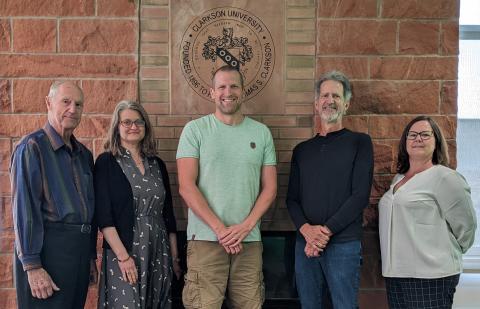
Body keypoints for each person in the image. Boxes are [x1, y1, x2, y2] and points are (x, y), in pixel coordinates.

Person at [176, 65, 277, 309]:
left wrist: (245, 227)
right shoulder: (195, 131)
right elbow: (186, 186)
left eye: (233, 86)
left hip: (248, 242)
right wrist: (221, 230)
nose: (227, 92)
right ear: (212, 92)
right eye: (221, 86)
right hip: (205, 241)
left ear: (242, 92)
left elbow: (270, 188)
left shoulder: (261, 133)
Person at [286, 70, 374, 308]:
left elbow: (360, 195)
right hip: (304, 245)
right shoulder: (302, 150)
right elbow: (291, 200)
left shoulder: (360, 143)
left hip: (344, 244)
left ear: (346, 103)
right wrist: (308, 233)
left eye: (336, 95)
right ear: (316, 104)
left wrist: (323, 234)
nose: (330, 100)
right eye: (325, 96)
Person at [10, 81, 98, 308]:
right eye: (66, 102)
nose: (73, 109)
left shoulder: (84, 155)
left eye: (78, 104)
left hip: (77, 253)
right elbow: (24, 210)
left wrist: (89, 258)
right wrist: (32, 266)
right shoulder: (31, 147)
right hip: (48, 254)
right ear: (49, 103)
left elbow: (89, 210)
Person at [379, 115, 477, 308]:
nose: (418, 139)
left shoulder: (445, 178)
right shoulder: (397, 180)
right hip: (396, 274)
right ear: (405, 142)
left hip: (431, 275)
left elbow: (467, 226)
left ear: (436, 141)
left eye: (425, 134)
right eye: (412, 135)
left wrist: (446, 253)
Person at [94, 100, 181, 308]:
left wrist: (175, 259)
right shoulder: (107, 162)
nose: (133, 126)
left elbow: (168, 216)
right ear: (117, 126)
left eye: (139, 122)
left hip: (159, 250)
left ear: (146, 127)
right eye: (127, 122)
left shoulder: (157, 164)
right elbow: (104, 217)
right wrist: (124, 258)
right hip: (124, 251)